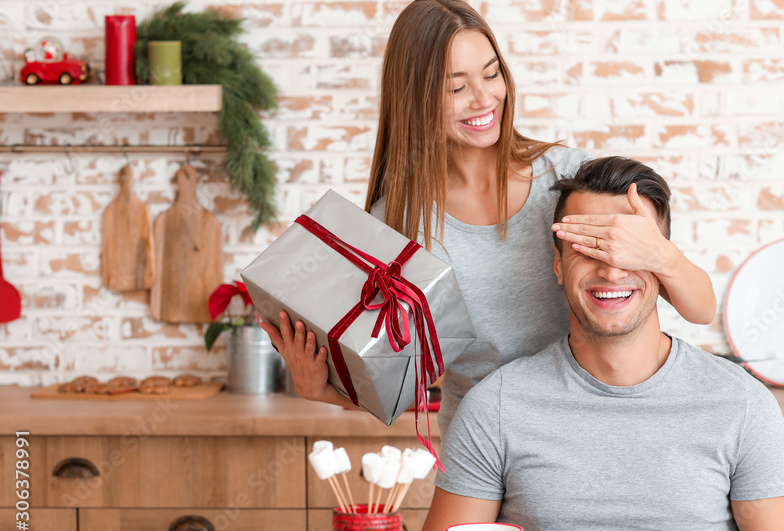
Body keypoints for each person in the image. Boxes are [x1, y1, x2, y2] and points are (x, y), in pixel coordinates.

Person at [261, 0, 716, 440]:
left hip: (589, 428)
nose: (484, 99)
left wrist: (659, 254)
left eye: (492, 73)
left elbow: (700, 309)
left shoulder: (568, 181)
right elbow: (399, 381)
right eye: (456, 87)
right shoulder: (395, 225)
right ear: (414, 99)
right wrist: (321, 389)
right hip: (484, 446)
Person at [413, 156, 784, 531]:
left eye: (631, 250)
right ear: (558, 267)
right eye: (588, 247)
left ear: (662, 263)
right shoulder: (495, 406)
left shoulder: (740, 403)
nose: (612, 269)